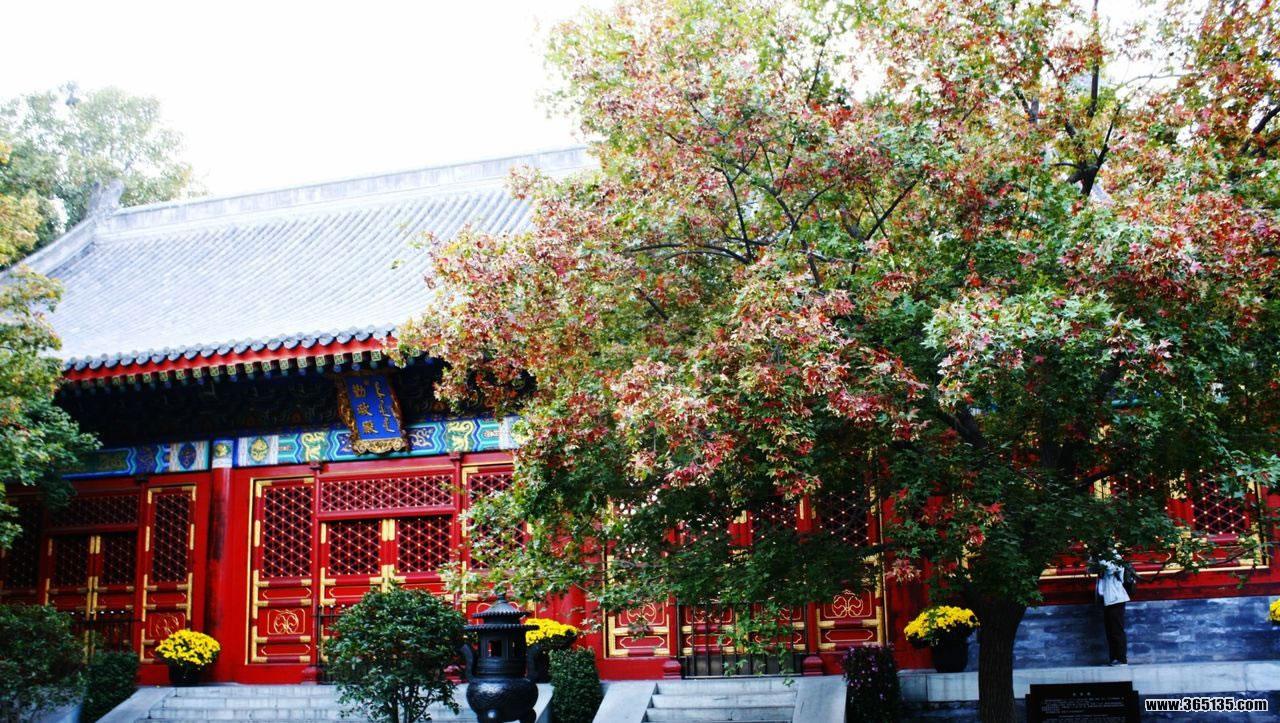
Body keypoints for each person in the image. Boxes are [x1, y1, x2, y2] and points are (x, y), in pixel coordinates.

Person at [1095, 556, 1129, 665]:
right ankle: (1113, 658)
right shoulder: (1100, 558)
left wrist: (1100, 557)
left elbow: (1109, 569)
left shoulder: (1115, 557)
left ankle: (1121, 659)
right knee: (1109, 631)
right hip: (1107, 599)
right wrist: (1093, 558)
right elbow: (1090, 569)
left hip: (1116, 599)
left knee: (1117, 630)